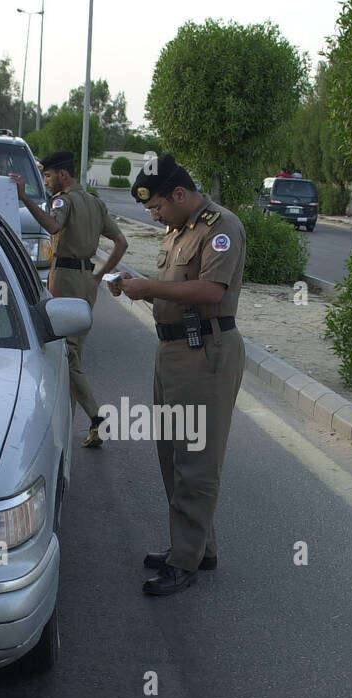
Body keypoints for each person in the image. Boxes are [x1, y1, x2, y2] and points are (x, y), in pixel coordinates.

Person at [106, 154, 246, 596]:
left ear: (180, 194)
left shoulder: (220, 227)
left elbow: (210, 291)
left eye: (158, 207)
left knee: (196, 461)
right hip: (172, 351)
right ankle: (198, 547)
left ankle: (184, 560)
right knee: (172, 455)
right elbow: (174, 292)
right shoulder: (179, 231)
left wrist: (149, 287)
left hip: (204, 352)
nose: (154, 215)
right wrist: (138, 285)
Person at [12, 150, 128, 448]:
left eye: (49, 176)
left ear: (63, 175)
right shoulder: (95, 203)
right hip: (87, 280)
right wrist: (100, 274)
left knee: (67, 353)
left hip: (64, 278)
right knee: (74, 352)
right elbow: (121, 242)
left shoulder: (62, 201)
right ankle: (70, 422)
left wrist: (25, 198)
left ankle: (96, 417)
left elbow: (52, 227)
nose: (47, 181)